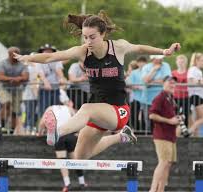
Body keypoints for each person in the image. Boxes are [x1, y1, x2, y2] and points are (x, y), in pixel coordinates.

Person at [14, 10, 180, 160]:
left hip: (118, 111)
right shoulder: (83, 51)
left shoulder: (117, 47)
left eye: (92, 37)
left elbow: (139, 48)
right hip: (97, 112)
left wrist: (164, 51)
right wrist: (29, 57)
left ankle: (58, 132)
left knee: (86, 108)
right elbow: (52, 57)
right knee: (80, 156)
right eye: (85, 37)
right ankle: (120, 137)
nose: (88, 41)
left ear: (103, 34)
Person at [38, 90, 87, 192]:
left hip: (58, 135)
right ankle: (82, 181)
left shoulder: (50, 108)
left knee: (62, 161)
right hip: (70, 135)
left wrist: (40, 132)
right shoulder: (69, 109)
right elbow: (78, 121)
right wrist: (78, 132)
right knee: (75, 160)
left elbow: (42, 123)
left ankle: (67, 183)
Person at [149, 76, 180, 192]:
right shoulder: (160, 97)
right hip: (162, 136)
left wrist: (177, 119)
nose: (172, 84)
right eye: (170, 82)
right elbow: (152, 115)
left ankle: (160, 190)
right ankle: (153, 190)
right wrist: (170, 121)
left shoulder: (170, 98)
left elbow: (170, 116)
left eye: (174, 83)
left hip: (170, 136)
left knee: (167, 164)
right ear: (163, 83)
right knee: (163, 163)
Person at [0, 46, 29, 135]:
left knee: (15, 111)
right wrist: (14, 79)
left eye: (16, 54)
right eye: (13, 55)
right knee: (7, 103)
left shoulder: (22, 64)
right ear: (9, 54)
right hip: (4, 88)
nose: (15, 56)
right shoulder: (2, 63)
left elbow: (26, 76)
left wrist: (18, 79)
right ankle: (1, 126)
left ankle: (11, 130)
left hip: (17, 90)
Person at [171, 55, 189, 130]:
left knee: (186, 115)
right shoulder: (173, 73)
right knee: (175, 114)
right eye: (179, 61)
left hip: (186, 97)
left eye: (182, 62)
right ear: (176, 62)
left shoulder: (188, 72)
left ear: (185, 63)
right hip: (175, 96)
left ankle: (185, 131)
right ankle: (174, 130)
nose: (181, 63)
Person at [187, 53, 203, 136]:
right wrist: (201, 82)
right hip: (195, 96)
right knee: (201, 118)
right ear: (196, 61)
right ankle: (190, 130)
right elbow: (190, 81)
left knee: (197, 118)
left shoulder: (198, 70)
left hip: (199, 96)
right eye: (202, 60)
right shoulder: (193, 69)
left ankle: (196, 136)